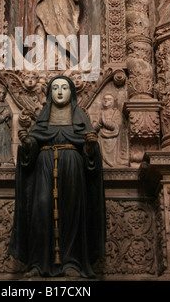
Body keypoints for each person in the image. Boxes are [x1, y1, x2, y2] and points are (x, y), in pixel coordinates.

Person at [8, 75, 106, 278]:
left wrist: (89, 146)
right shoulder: (43, 117)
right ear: (49, 93)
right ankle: (37, 262)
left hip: (73, 169)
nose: (60, 91)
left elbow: (91, 156)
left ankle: (72, 262)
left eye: (64, 87)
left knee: (72, 213)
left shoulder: (80, 116)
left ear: (72, 92)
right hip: (43, 168)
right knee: (40, 210)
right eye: (55, 88)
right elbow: (32, 150)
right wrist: (27, 144)